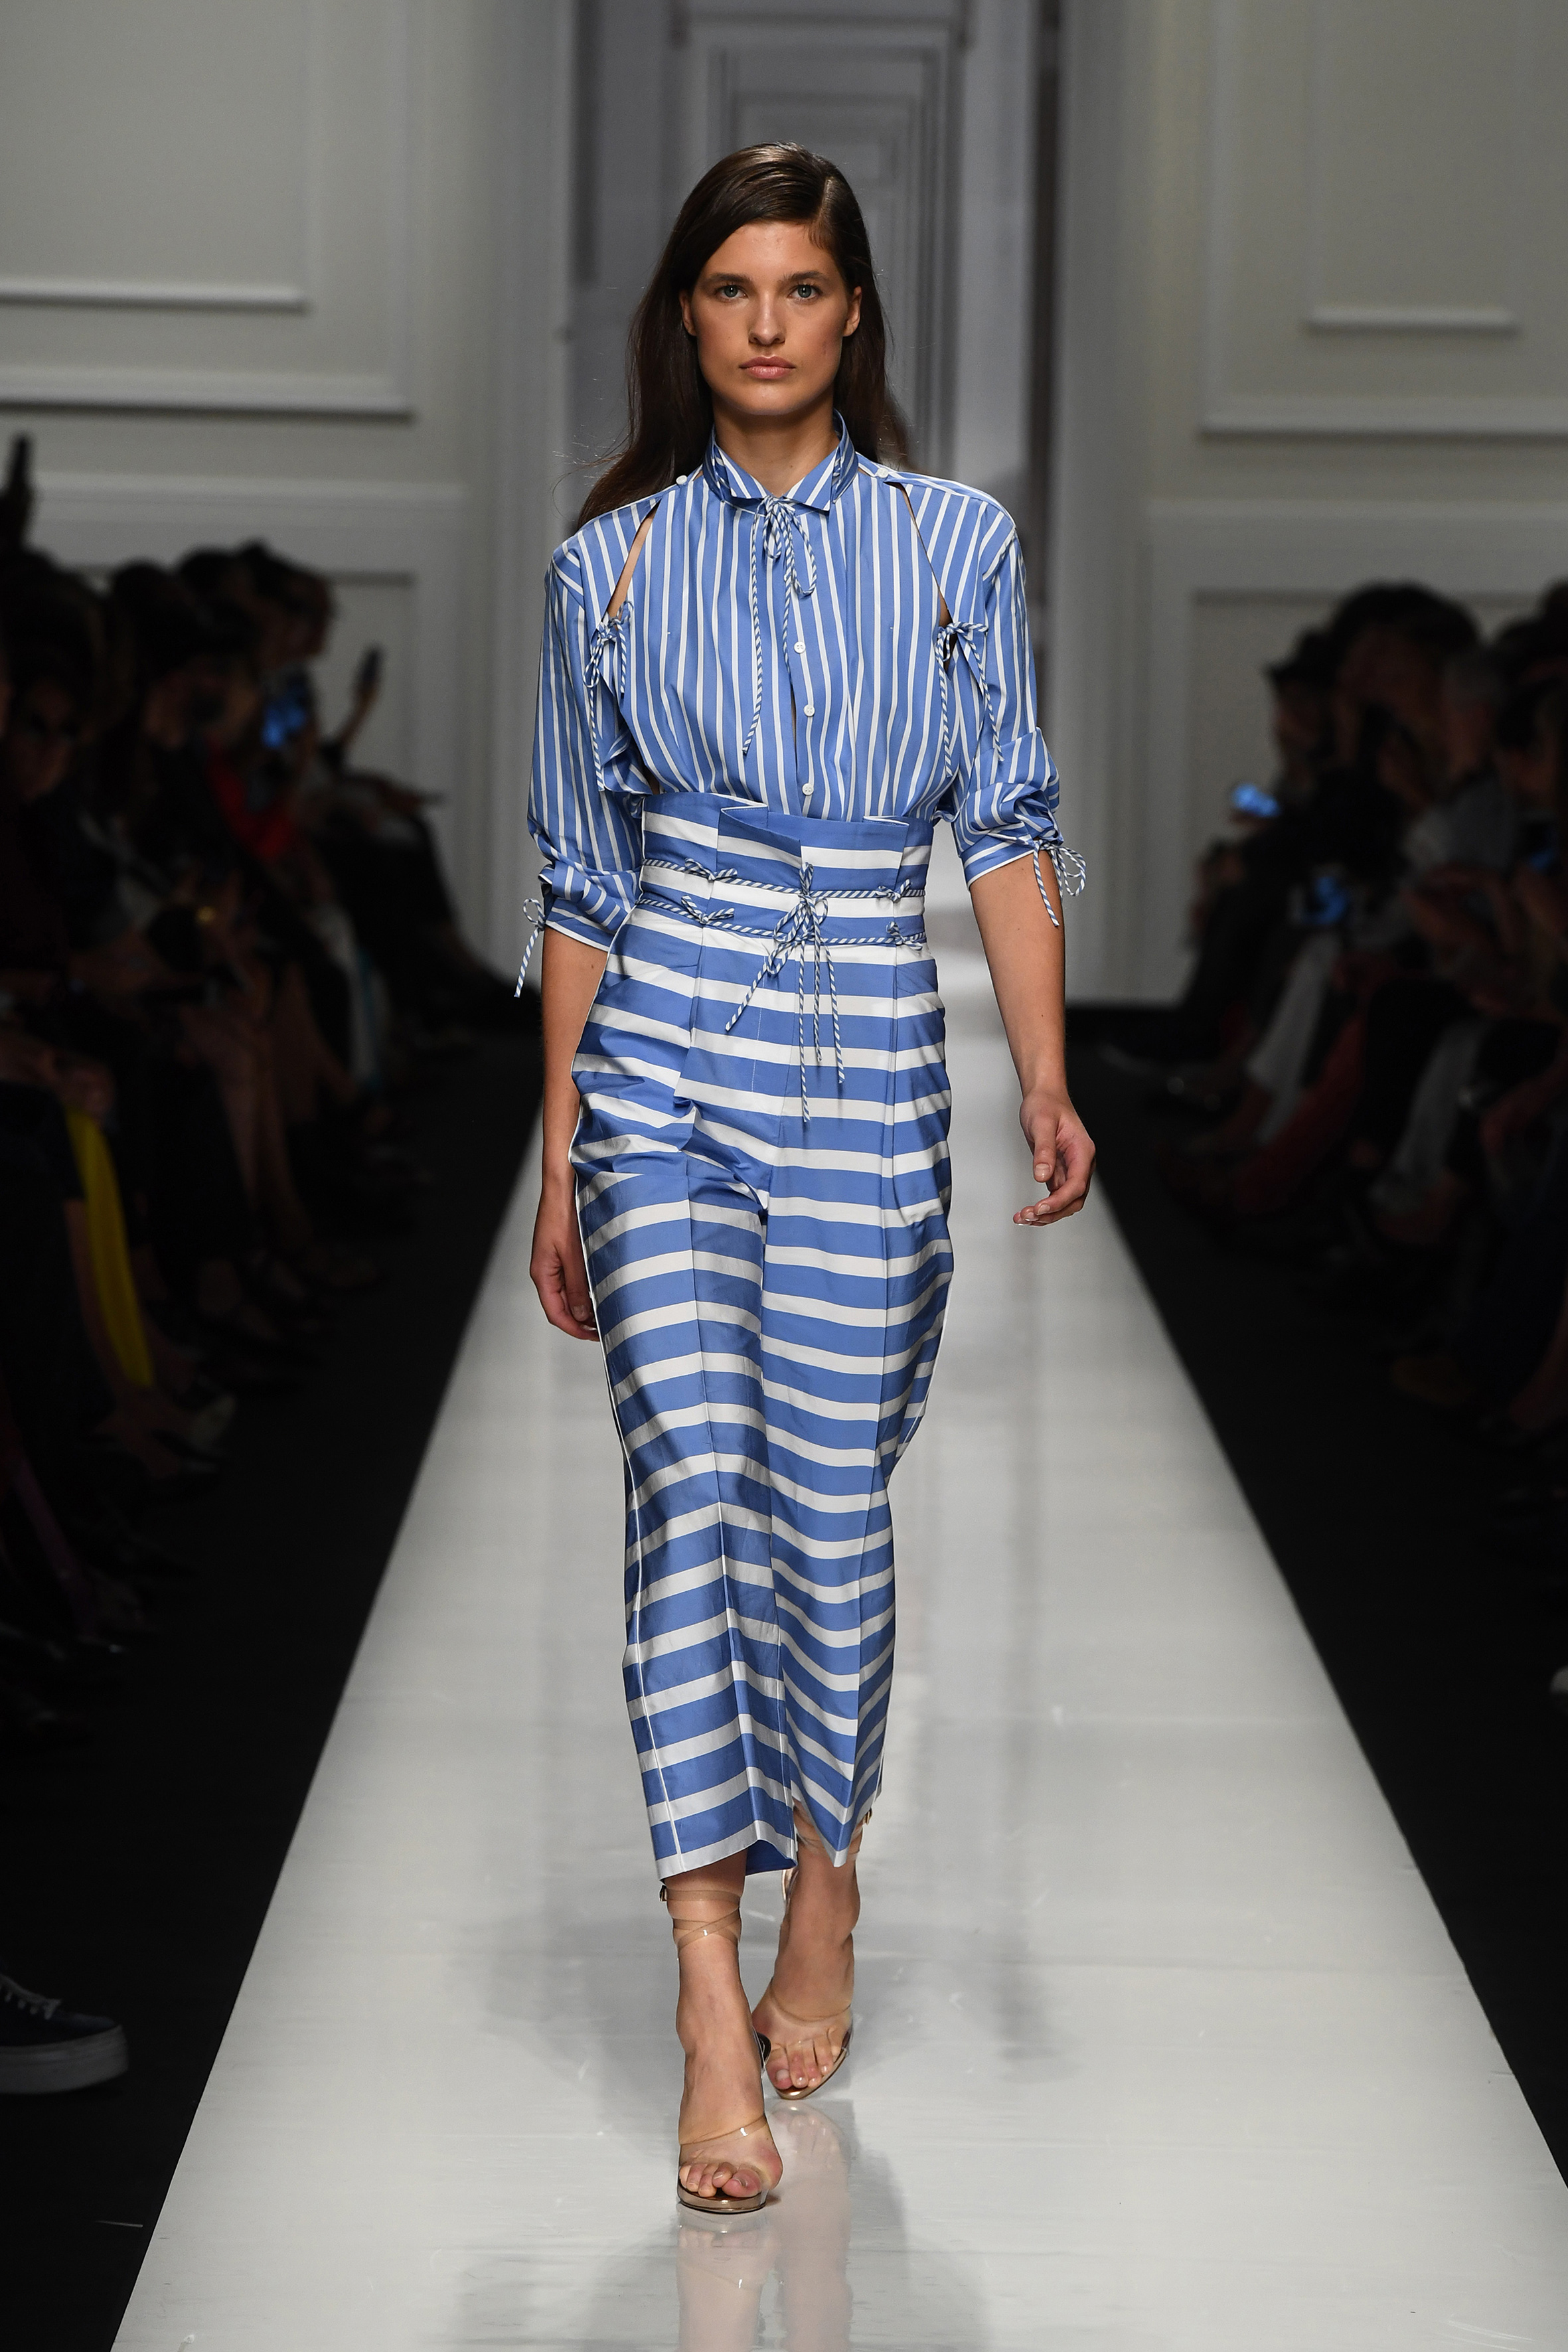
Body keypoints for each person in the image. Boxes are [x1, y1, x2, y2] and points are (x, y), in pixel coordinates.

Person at [524, 144, 1093, 2215]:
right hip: (662, 1063)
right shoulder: (605, 570)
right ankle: (704, 1989)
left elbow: (1002, 821)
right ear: (684, 318)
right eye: (728, 289)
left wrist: (1045, 1075)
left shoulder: (956, 545)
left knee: (826, 1512)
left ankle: (826, 1873)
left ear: (853, 316)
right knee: (688, 1495)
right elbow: (580, 879)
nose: (764, 324)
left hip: (866, 1058)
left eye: (800, 289)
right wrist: (562, 1155)